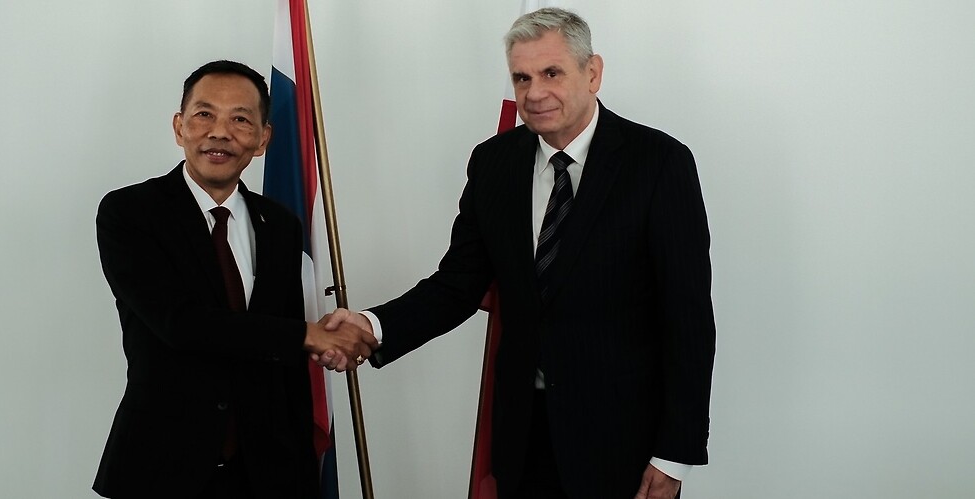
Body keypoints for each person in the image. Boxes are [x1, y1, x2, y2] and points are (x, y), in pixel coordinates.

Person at [320, 8, 715, 499]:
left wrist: (674, 452)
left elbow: (688, 318)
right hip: (522, 435)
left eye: (552, 73)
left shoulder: (659, 162)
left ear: (592, 73)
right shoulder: (494, 161)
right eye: (521, 77)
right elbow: (458, 283)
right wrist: (372, 326)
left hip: (626, 442)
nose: (534, 92)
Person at [92, 60, 377, 499]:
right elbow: (180, 324)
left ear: (263, 139)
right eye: (204, 114)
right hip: (161, 470)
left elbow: (286, 372)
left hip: (268, 475)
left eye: (240, 119)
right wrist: (308, 335)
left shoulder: (281, 225)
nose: (220, 132)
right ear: (179, 126)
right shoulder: (129, 212)